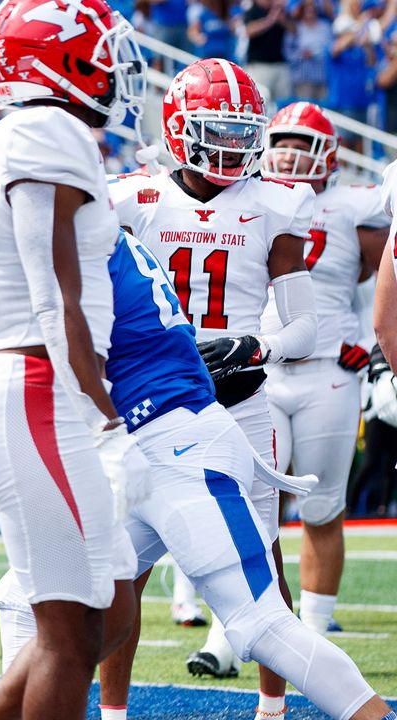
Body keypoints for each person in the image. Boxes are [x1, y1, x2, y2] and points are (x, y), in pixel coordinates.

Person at [0, 232, 397, 720]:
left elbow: (74, 361)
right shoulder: (100, 231)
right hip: (148, 441)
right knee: (25, 598)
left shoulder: (78, 245)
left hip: (172, 444)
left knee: (261, 623)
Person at [107, 59, 316, 715]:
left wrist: (260, 345)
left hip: (243, 399)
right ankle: (113, 710)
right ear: (178, 128)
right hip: (150, 401)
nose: (230, 146)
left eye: (239, 133)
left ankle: (272, 708)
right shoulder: (132, 199)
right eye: (216, 132)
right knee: (123, 569)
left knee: (265, 558)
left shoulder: (273, 205)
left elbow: (306, 326)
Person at [0, 0, 148, 715]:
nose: (113, 69)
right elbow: (53, 295)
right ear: (56, 58)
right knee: (69, 633)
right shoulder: (48, 129)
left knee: (112, 610)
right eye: (100, 52)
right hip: (40, 384)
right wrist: (103, 416)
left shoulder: (31, 131)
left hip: (39, 385)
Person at [261, 103, 390, 637]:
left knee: (321, 507)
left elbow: (383, 277)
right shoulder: (247, 195)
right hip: (260, 368)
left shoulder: (353, 206)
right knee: (251, 506)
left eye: (301, 143)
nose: (290, 154)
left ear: (329, 154)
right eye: (282, 142)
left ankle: (312, 630)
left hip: (329, 367)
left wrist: (367, 344)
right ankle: (242, 627)